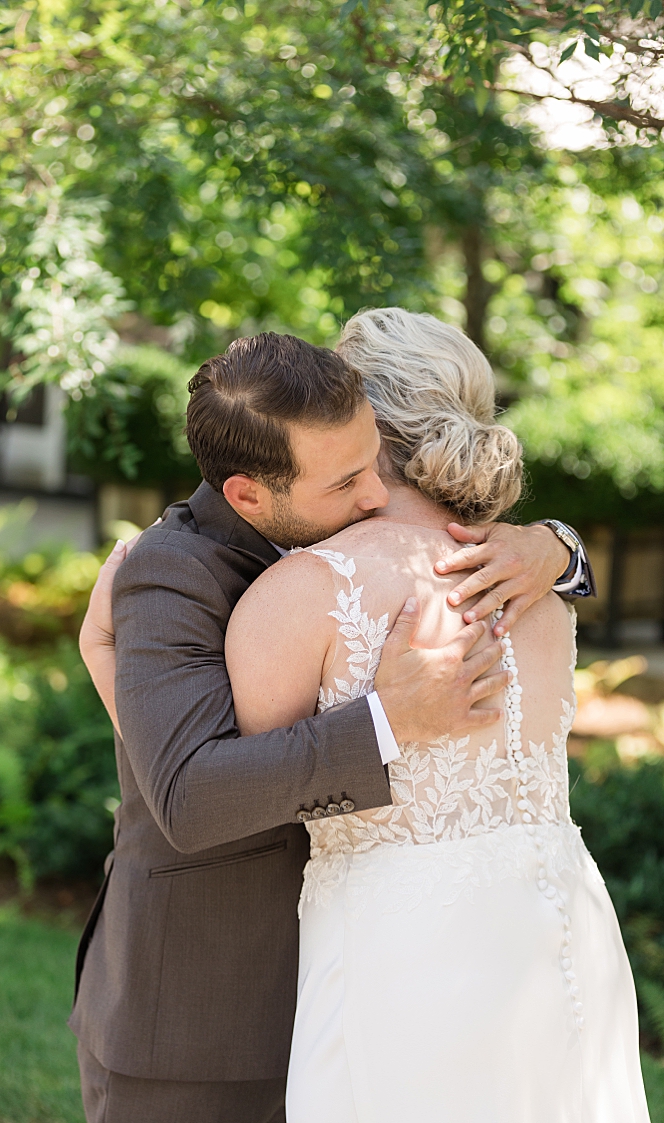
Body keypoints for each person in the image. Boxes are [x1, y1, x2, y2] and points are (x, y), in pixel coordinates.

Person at [71, 332, 594, 1122]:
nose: (376, 496)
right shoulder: (173, 568)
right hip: (201, 1011)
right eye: (348, 480)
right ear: (249, 495)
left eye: (372, 462)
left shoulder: (372, 536)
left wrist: (556, 548)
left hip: (368, 983)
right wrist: (390, 719)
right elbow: (188, 796)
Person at [225, 308, 645, 1119]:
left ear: (361, 424)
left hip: (401, 948)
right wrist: (556, 542)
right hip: (566, 930)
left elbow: (248, 799)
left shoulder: (302, 595)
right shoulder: (539, 585)